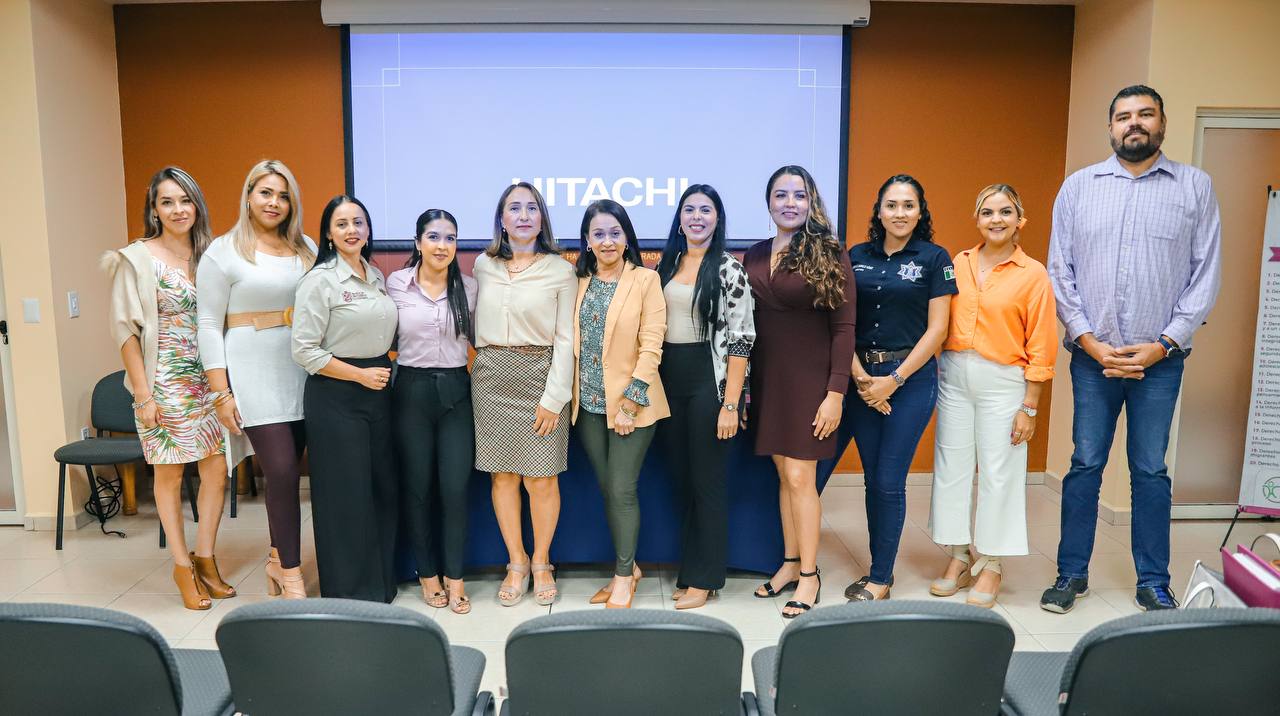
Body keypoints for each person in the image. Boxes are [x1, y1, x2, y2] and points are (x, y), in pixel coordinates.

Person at [1042, 85, 1222, 613]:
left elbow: (1204, 275)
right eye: (1124, 116)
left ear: (1162, 124)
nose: (1134, 124)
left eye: (1146, 115)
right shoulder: (1079, 187)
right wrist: (1091, 343)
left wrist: (1164, 344)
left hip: (1159, 362)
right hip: (1092, 360)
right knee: (1085, 463)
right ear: (1111, 127)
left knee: (1149, 470)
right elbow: (1060, 271)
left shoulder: (1194, 188)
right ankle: (1070, 575)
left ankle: (1152, 581)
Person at [105, 166, 231, 611]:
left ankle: (206, 558)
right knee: (170, 472)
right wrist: (143, 397)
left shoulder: (211, 255)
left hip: (209, 380)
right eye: (167, 201)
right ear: (154, 209)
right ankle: (181, 567)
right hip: (163, 381)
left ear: (197, 205)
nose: (178, 210)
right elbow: (126, 332)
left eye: (185, 200)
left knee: (217, 470)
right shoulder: (135, 259)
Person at [928, 184, 1058, 608]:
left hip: (1004, 381)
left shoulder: (1032, 273)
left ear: (1020, 220)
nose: (996, 219)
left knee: (1000, 473)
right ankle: (959, 556)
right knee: (952, 468)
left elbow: (1041, 341)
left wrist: (1030, 406)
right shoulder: (958, 264)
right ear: (977, 218)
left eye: (1005, 212)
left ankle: (993, 564)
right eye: (987, 212)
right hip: (954, 377)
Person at [197, 159, 315, 599]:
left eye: (283, 195)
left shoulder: (305, 247)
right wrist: (221, 393)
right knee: (281, 470)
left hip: (302, 368)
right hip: (251, 370)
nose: (274, 203)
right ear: (248, 195)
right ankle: (290, 572)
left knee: (296, 467)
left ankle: (274, 557)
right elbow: (208, 324)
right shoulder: (223, 251)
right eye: (265, 192)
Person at [746, 165, 856, 618]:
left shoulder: (829, 251)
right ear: (768, 202)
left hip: (812, 382)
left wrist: (836, 393)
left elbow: (844, 328)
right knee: (782, 475)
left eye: (799, 195)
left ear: (812, 203)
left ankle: (810, 575)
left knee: (800, 478)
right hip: (768, 380)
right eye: (780, 195)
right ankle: (790, 563)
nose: (789, 203)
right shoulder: (752, 254)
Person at [842, 174, 956, 602]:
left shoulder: (934, 258)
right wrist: (861, 378)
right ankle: (878, 567)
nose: (900, 213)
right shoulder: (855, 256)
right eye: (891, 205)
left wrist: (894, 380)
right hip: (862, 379)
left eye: (909, 205)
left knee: (889, 480)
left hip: (909, 381)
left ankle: (880, 578)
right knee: (873, 479)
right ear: (879, 211)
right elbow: (843, 324)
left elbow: (938, 330)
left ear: (921, 211)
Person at [472, 182, 576, 606]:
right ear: (501, 219)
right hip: (492, 375)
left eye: (532, 208)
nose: (523, 215)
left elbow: (568, 338)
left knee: (541, 478)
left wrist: (555, 397)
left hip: (541, 374)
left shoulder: (560, 269)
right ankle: (516, 561)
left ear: (542, 218)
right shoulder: (483, 264)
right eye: (514, 208)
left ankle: (541, 561)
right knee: (503, 476)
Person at [291, 195, 398, 603]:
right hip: (337, 395)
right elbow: (304, 350)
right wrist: (359, 375)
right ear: (329, 235)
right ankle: (347, 588)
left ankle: (380, 583)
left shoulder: (375, 276)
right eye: (342, 224)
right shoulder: (320, 280)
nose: (352, 230)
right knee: (345, 495)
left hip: (378, 393)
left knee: (379, 489)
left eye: (359, 222)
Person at [656, 184, 755, 610]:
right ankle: (690, 568)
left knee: (707, 482)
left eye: (706, 210)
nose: (697, 217)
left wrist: (730, 404)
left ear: (718, 219)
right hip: (667, 380)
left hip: (707, 381)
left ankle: (706, 577)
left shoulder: (730, 269)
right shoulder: (666, 265)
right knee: (681, 479)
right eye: (689, 209)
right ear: (679, 218)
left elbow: (741, 341)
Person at [572, 200, 669, 609]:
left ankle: (624, 575)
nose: (607, 241)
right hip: (589, 404)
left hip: (633, 404)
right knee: (608, 489)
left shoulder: (645, 279)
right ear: (587, 241)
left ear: (627, 237)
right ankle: (630, 567)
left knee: (622, 489)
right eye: (598, 234)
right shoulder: (577, 281)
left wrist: (631, 401)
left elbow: (653, 342)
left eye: (615, 232)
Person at [387, 209, 477, 614]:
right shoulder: (396, 284)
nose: (443, 245)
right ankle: (427, 574)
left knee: (455, 490)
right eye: (434, 236)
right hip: (411, 390)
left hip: (457, 390)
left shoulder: (470, 288)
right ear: (418, 241)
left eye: (451, 238)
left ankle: (455, 576)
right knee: (419, 488)